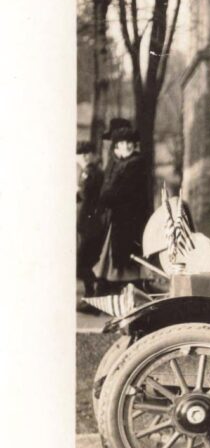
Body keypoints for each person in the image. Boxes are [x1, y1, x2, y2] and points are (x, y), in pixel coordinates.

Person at [93, 120, 149, 291]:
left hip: (129, 219)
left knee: (126, 260)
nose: (127, 146)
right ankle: (103, 293)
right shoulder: (119, 164)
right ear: (117, 146)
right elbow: (107, 189)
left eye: (130, 143)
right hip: (117, 218)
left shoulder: (134, 164)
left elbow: (120, 192)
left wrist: (106, 196)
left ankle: (123, 294)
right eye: (123, 143)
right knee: (112, 258)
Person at [76, 141, 105, 308]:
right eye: (81, 153)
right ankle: (90, 297)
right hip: (87, 223)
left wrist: (78, 192)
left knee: (84, 263)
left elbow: (89, 196)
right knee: (85, 262)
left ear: (93, 155)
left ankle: (92, 297)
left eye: (87, 153)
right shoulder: (86, 172)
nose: (84, 156)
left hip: (92, 223)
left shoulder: (93, 172)